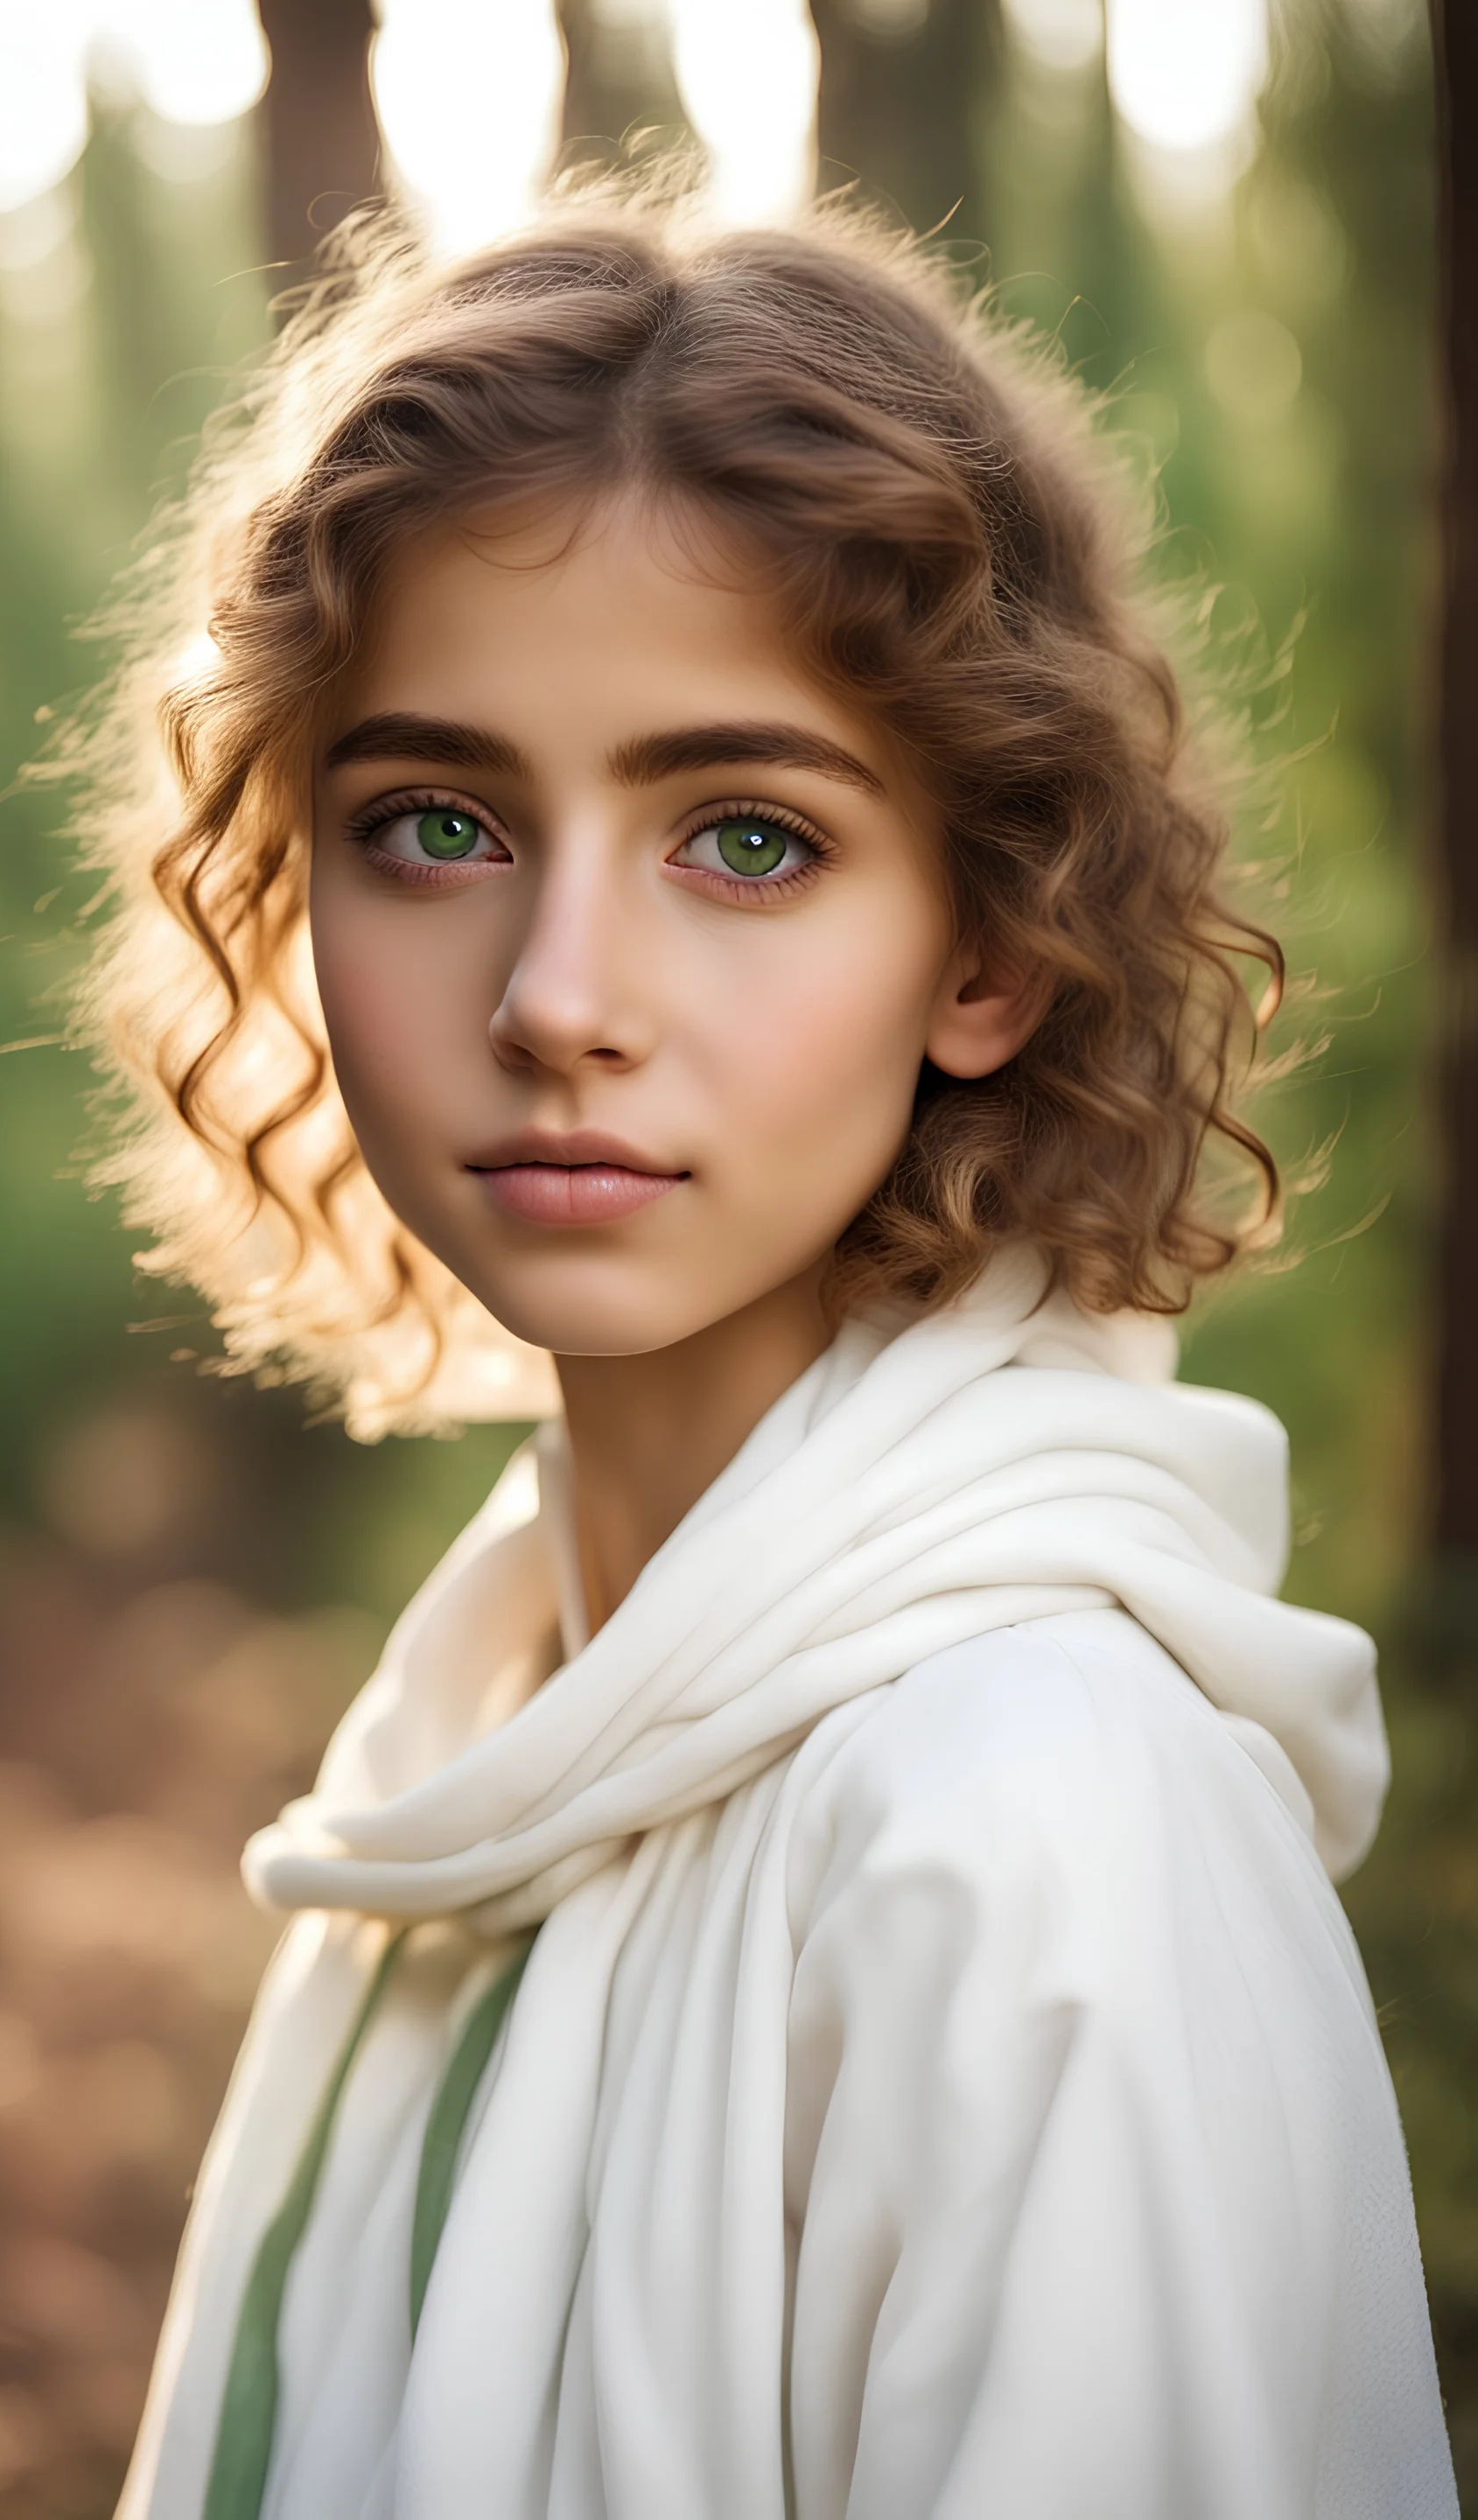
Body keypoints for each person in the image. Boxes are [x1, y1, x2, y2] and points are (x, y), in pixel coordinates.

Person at [70, 181, 1457, 2517]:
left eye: (742, 838)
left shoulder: (1033, 1833)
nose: (558, 999)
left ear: (987, 945)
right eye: (434, 823)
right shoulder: (497, 1717)